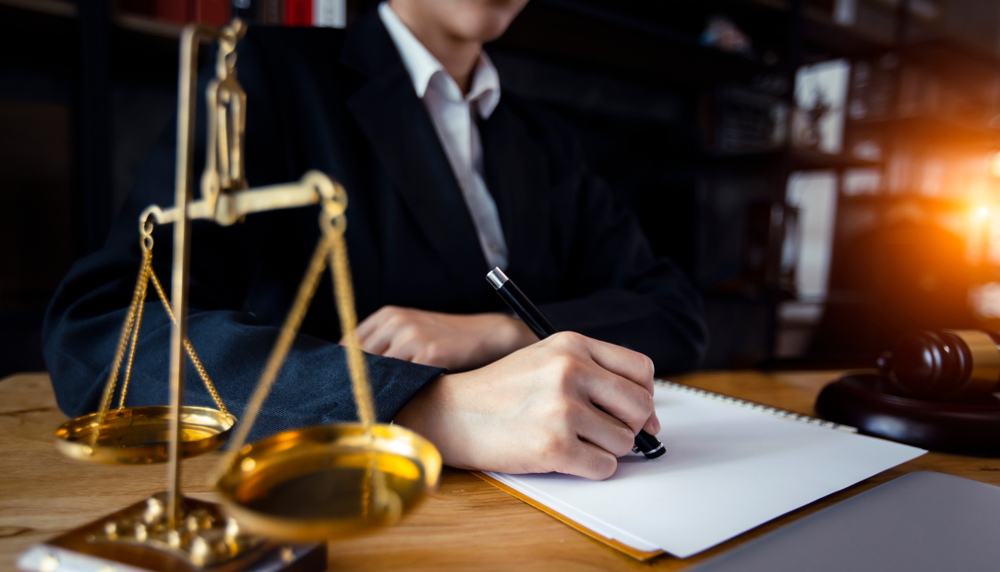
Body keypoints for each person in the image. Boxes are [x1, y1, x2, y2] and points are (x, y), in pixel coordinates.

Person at [43, 0, 707, 480]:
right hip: (344, 500)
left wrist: (495, 332)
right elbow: (105, 331)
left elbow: (675, 311)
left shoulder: (546, 140)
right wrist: (423, 407)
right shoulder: (269, 73)